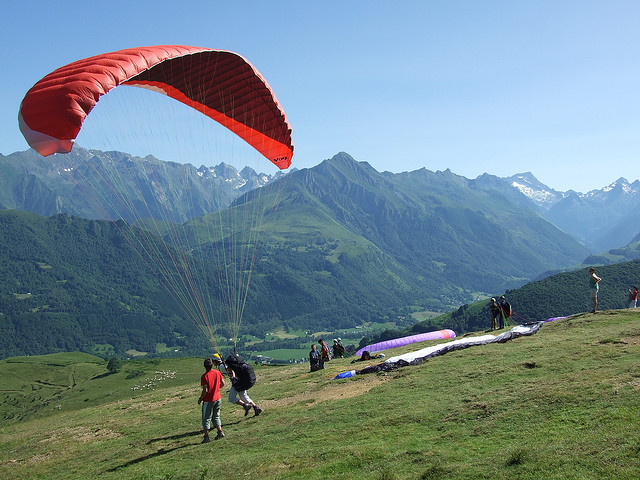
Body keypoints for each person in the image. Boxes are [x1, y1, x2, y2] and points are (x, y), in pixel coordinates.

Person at [198, 357, 225, 443]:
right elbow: (223, 383)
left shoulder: (204, 376)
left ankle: (206, 437)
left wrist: (201, 398)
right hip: (218, 397)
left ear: (204, 366)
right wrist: (217, 388)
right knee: (216, 415)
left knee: (206, 418)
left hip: (209, 400)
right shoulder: (217, 372)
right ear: (212, 365)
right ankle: (220, 432)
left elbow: (205, 390)